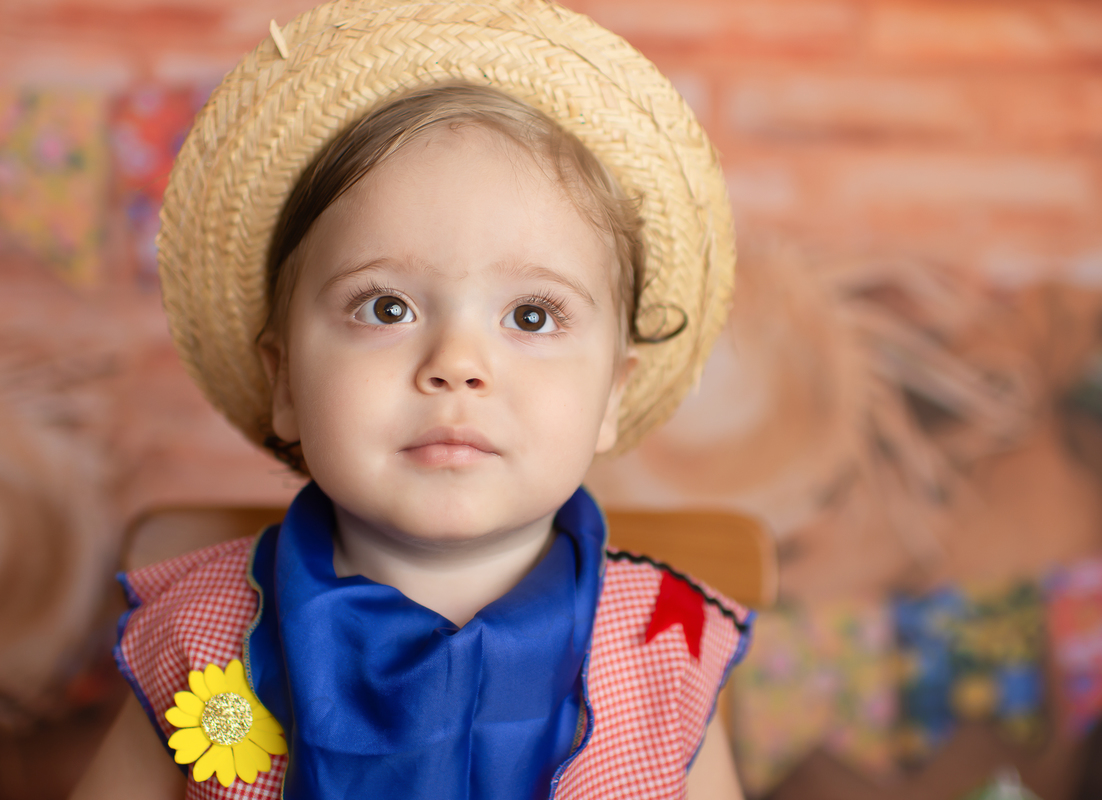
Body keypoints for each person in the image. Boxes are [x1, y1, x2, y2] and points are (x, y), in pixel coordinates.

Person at [72, 1, 748, 798]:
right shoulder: (207, 637)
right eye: (386, 308)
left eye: (531, 315)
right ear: (285, 381)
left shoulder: (662, 649)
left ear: (611, 396)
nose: (456, 365)